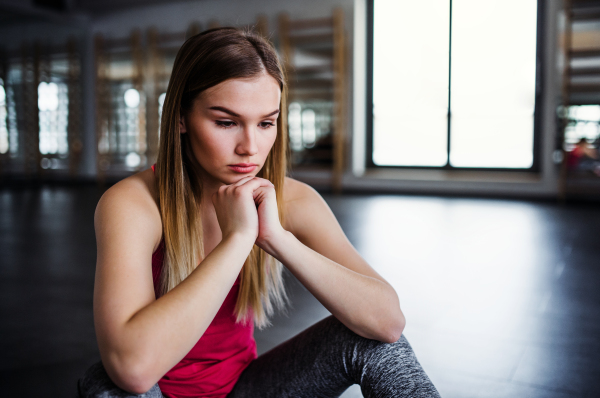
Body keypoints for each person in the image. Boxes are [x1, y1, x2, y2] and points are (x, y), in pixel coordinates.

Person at [79, 28, 440, 398]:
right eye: (226, 122)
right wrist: (237, 239)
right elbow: (134, 370)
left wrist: (276, 238)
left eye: (266, 123)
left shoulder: (292, 200)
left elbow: (389, 323)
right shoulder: (133, 204)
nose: (250, 147)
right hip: (159, 392)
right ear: (181, 118)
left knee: (373, 342)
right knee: (108, 385)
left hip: (246, 390)